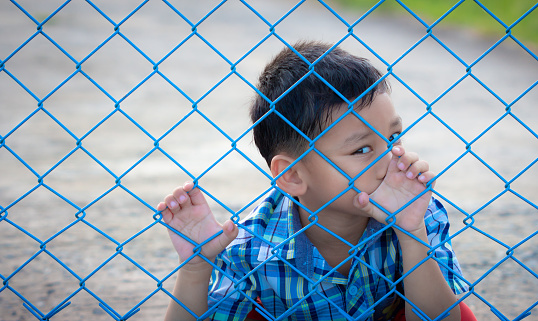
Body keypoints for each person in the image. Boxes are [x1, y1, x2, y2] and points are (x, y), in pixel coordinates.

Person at [158, 41, 469, 321]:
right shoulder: (250, 249)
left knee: (458, 309)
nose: (391, 159)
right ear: (292, 175)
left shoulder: (419, 212)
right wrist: (196, 268)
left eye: (393, 137)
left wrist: (411, 233)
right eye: (362, 149)